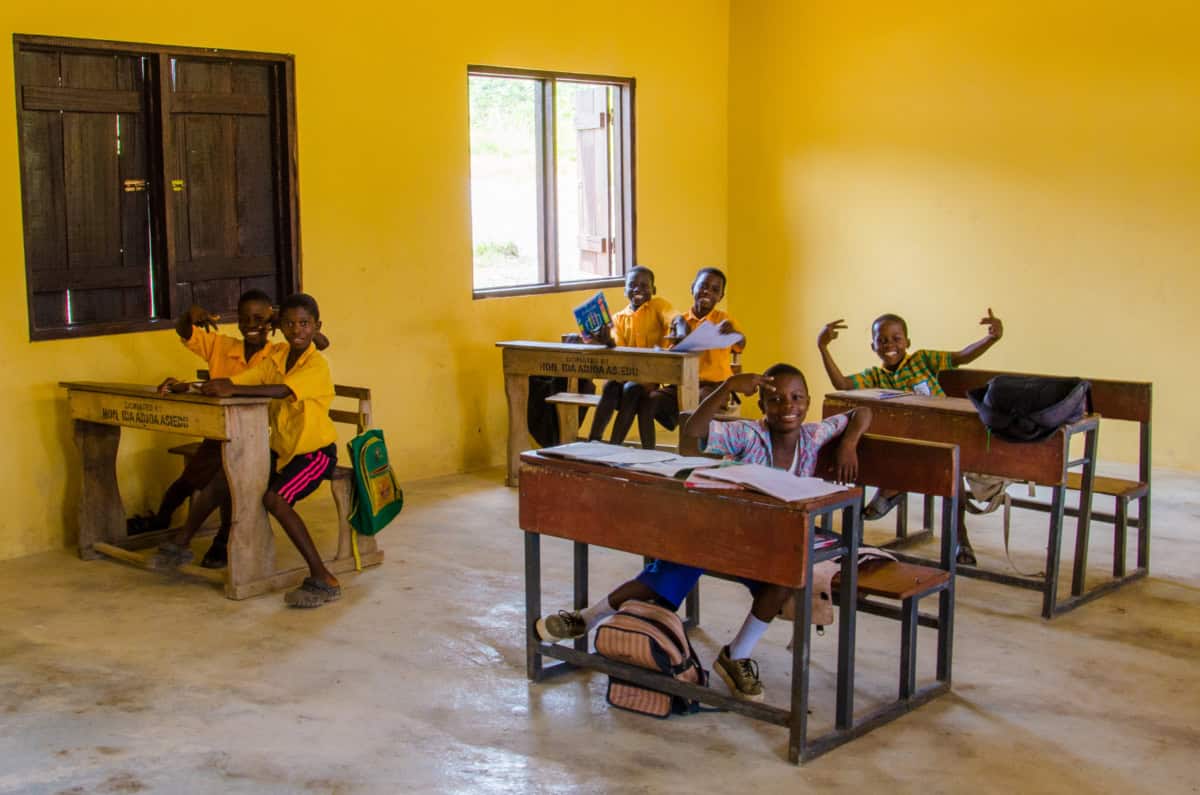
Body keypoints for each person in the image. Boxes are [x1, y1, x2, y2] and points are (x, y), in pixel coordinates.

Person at [536, 364, 871, 701]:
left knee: (787, 576)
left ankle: (736, 655)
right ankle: (587, 618)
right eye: (775, 399)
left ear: (808, 401)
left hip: (769, 543)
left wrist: (849, 444)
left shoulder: (813, 436)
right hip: (722, 533)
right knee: (669, 574)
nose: (788, 406)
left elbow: (862, 412)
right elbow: (694, 429)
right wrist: (727, 387)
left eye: (797, 398)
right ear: (762, 406)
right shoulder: (747, 435)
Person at [816, 309, 1004, 563]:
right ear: (873, 346)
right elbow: (842, 385)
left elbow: (960, 357)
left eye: (896, 339)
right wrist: (823, 347)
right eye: (882, 340)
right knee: (885, 449)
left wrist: (991, 339)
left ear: (907, 342)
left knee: (952, 473)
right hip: (910, 444)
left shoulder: (922, 360)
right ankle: (892, 487)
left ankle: (960, 538)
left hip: (942, 437)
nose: (890, 345)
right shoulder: (875, 376)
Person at [200, 293, 341, 607]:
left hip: (315, 453)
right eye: (290, 324)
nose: (297, 330)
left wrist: (234, 388)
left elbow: (282, 390)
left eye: (305, 324)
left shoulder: (316, 364)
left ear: (317, 326)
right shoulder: (276, 359)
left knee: (275, 499)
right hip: (283, 448)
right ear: (282, 327)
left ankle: (323, 576)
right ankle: (238, 557)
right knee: (235, 479)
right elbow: (244, 378)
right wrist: (205, 385)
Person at [140, 290, 279, 569]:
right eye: (245, 319)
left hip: (258, 440)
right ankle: (161, 521)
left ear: (272, 319)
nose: (252, 325)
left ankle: (220, 539)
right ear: (238, 321)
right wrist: (188, 315)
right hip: (219, 432)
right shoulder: (222, 346)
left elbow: (316, 345)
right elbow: (185, 331)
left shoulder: (278, 353)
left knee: (226, 477)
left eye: (260, 318)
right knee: (192, 477)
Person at [586, 266, 679, 449]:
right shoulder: (618, 318)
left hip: (651, 378)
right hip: (626, 374)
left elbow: (673, 318)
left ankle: (615, 444)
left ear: (654, 290)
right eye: (632, 285)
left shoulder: (657, 306)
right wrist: (606, 340)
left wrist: (679, 327)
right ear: (624, 290)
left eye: (644, 286)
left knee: (631, 388)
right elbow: (617, 347)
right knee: (611, 385)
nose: (638, 289)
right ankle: (594, 440)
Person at [667, 267, 747, 406]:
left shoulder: (724, 319)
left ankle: (689, 426)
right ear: (693, 288)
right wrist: (677, 341)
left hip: (716, 385)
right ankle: (677, 421)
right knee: (651, 401)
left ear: (721, 296)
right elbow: (670, 355)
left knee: (699, 399)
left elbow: (741, 345)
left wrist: (734, 333)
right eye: (703, 286)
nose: (707, 292)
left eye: (715, 290)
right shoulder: (680, 321)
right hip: (684, 383)